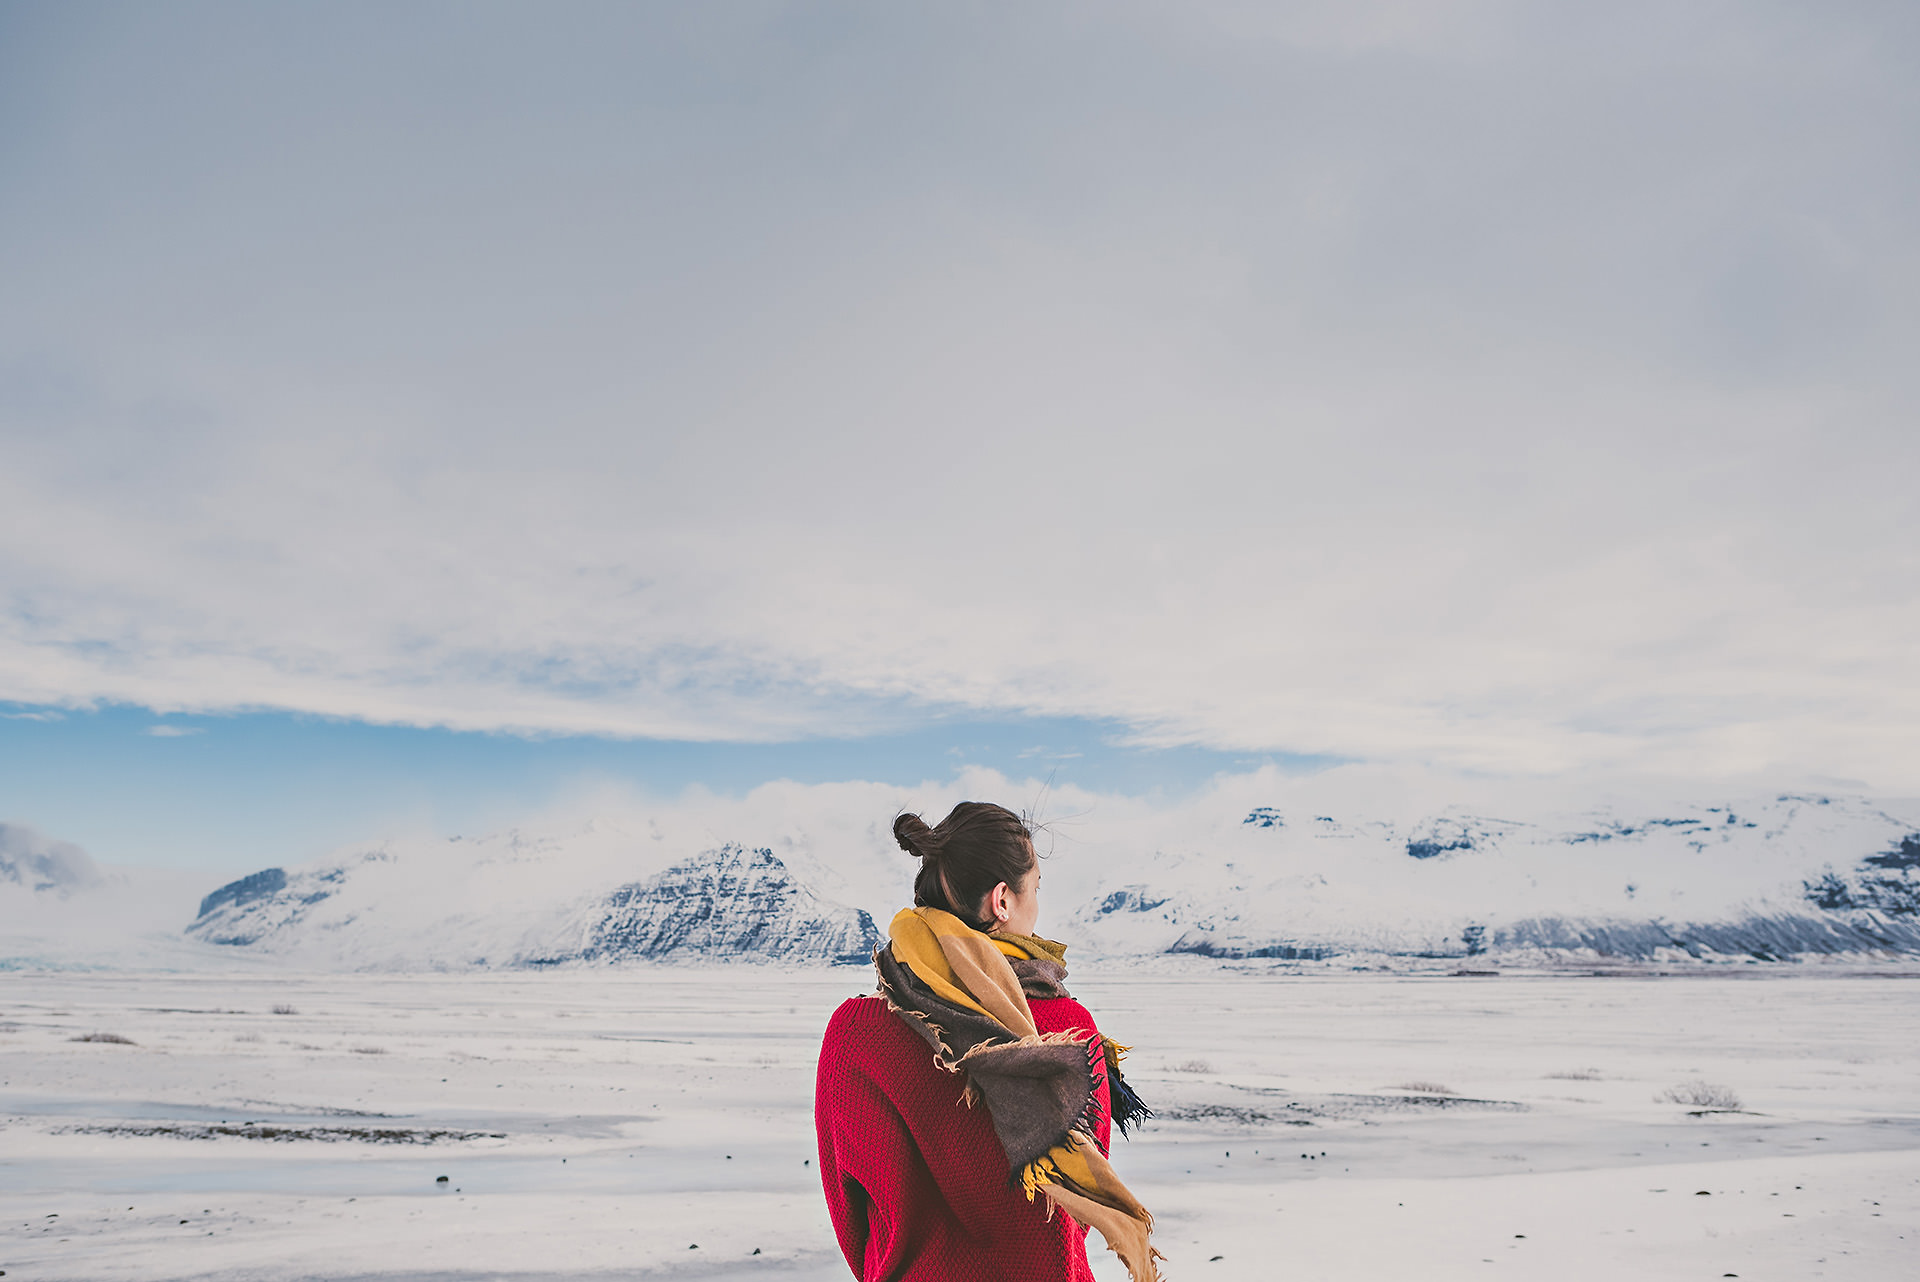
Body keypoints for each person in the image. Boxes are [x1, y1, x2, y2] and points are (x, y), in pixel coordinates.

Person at [813, 801, 1161, 1282]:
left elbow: (849, 1211)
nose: (1037, 908)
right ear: (1002, 900)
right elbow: (1074, 1209)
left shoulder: (857, 1032)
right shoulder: (1066, 1029)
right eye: (1035, 889)